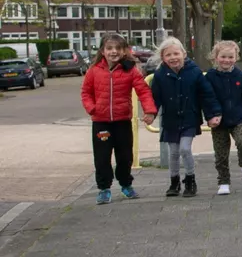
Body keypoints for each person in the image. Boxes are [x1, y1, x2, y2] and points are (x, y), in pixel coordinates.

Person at [81, 33, 157, 205]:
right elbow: (86, 92)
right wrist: (92, 108)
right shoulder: (94, 71)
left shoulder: (130, 71)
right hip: (101, 122)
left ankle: (126, 185)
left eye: (118, 48)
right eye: (109, 48)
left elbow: (143, 91)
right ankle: (104, 189)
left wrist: (150, 111)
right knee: (102, 157)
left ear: (124, 51)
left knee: (124, 156)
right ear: (102, 51)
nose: (113, 52)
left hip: (122, 121)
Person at [150, 37, 222, 197]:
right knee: (173, 152)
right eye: (168, 55)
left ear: (184, 53)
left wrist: (213, 114)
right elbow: (154, 97)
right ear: (163, 57)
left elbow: (207, 94)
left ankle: (190, 180)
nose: (173, 57)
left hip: (189, 117)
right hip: (170, 119)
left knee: (184, 149)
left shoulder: (194, 71)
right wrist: (150, 113)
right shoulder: (160, 75)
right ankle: (174, 181)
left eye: (176, 53)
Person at [205, 40, 242, 195]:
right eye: (223, 56)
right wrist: (210, 117)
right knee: (220, 154)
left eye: (230, 57)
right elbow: (207, 98)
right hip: (218, 121)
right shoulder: (210, 77)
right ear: (215, 57)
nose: (226, 60)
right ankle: (223, 182)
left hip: (238, 119)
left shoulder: (241, 76)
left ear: (236, 57)